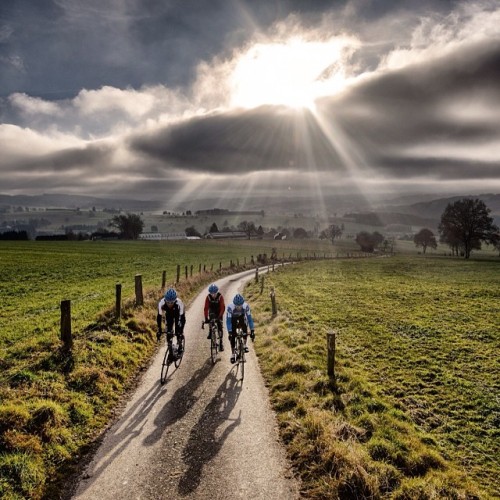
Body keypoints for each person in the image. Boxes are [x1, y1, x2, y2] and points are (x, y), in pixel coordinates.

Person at [226, 293, 255, 364]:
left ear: (243, 304)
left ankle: (244, 345)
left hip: (242, 318)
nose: (238, 307)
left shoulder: (246, 306)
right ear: (234, 304)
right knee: (232, 336)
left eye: (240, 306)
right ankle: (233, 354)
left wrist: (252, 330)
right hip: (233, 320)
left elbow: (250, 319)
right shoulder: (230, 307)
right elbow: (228, 321)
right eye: (237, 306)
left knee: (245, 325)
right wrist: (230, 332)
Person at [157, 288, 186, 356]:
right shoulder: (161, 303)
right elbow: (159, 317)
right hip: (169, 314)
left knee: (178, 331)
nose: (170, 304)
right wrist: (159, 329)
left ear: (175, 300)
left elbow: (182, 318)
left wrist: (180, 330)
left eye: (172, 302)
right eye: (168, 302)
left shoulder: (179, 303)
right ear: (165, 300)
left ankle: (180, 346)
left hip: (178, 314)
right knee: (168, 332)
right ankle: (170, 351)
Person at [204, 283, 225, 351]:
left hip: (219, 311)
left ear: (217, 292)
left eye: (214, 293)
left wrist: (219, 317)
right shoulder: (208, 297)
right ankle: (210, 331)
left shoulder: (220, 297)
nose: (213, 295)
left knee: (220, 326)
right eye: (212, 293)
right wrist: (206, 318)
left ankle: (221, 342)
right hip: (212, 311)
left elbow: (222, 307)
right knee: (211, 319)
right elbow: (206, 308)